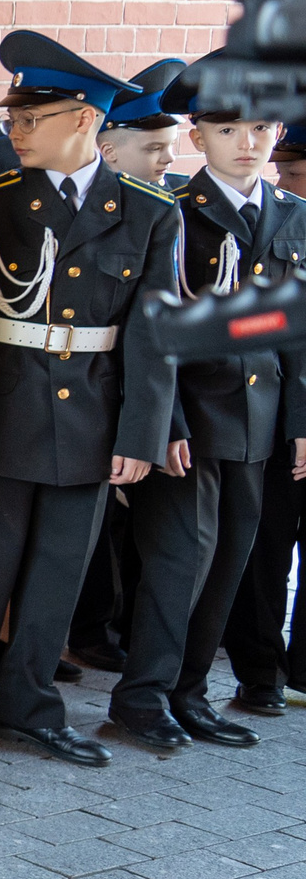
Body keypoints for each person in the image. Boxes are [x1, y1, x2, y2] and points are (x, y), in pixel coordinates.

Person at [0, 32, 178, 768]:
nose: (16, 131)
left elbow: (152, 338)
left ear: (84, 120)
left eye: (32, 118)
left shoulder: (150, 212)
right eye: (14, 118)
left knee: (59, 569)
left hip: (92, 417)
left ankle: (31, 707)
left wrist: (141, 434)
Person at [105, 52, 306, 751]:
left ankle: (188, 692)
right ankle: (142, 694)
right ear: (198, 138)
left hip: (259, 421)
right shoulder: (175, 215)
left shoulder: (292, 214)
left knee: (232, 563)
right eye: (227, 130)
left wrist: (302, 422)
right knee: (177, 564)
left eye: (259, 128)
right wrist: (166, 423)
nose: (246, 142)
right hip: (191, 420)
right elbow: (154, 332)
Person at [68, 60, 192, 679]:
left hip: (145, 399)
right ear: (110, 151)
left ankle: (105, 623)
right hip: (93, 396)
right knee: (90, 533)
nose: (167, 161)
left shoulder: (159, 210)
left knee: (121, 530)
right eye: (154, 149)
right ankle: (88, 627)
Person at [227, 121, 306, 711]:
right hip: (277, 410)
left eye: (296, 172)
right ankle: (261, 671)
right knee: (266, 546)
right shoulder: (283, 222)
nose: (283, 180)